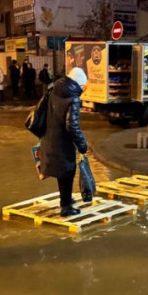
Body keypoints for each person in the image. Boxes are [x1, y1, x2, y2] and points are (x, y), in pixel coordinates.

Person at [39, 67, 89, 217]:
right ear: (78, 84)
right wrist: (82, 144)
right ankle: (66, 207)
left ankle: (65, 199)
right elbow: (72, 125)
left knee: (62, 172)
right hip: (63, 141)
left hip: (50, 137)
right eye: (82, 86)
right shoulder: (73, 98)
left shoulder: (54, 90)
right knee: (68, 172)